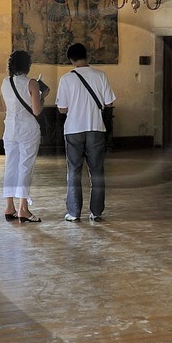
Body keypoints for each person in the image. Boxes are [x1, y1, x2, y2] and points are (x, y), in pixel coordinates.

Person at [55, 42, 115, 223]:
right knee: (97, 171)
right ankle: (96, 211)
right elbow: (109, 102)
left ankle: (73, 213)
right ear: (86, 56)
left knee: (73, 171)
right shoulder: (100, 75)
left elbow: (62, 109)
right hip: (96, 128)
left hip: (73, 129)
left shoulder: (66, 79)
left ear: (71, 60)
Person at [1, 49, 47, 223]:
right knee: (25, 166)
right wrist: (43, 97)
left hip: (10, 128)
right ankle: (23, 209)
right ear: (28, 66)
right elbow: (36, 110)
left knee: (10, 166)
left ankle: (9, 206)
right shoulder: (32, 83)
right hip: (28, 129)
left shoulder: (5, 83)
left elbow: (5, 108)